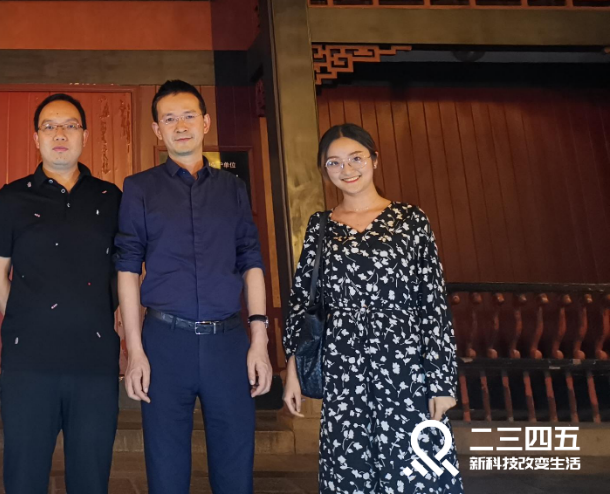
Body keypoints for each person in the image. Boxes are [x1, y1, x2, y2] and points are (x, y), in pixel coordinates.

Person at [282, 123, 463, 493]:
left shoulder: (410, 220)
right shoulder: (321, 226)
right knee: (349, 465)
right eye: (334, 162)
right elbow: (303, 302)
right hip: (343, 362)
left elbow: (432, 303)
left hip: (404, 362)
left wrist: (442, 381)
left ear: (374, 160)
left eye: (356, 158)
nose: (346, 169)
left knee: (415, 465)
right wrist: (293, 370)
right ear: (324, 169)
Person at [115, 79, 272, 494]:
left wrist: (259, 340)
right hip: (165, 342)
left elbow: (251, 261)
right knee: (166, 471)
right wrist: (135, 350)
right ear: (157, 130)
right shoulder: (140, 188)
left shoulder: (232, 188)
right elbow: (127, 267)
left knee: (235, 470)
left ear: (205, 122)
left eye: (188, 116)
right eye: (169, 119)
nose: (180, 126)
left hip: (228, 342)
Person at [0, 93, 122, 494]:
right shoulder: (11, 198)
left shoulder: (111, 197)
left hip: (95, 362)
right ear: (36, 138)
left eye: (70, 126)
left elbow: (125, 273)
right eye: (49, 126)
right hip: (29, 363)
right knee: (25, 477)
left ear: (84, 135)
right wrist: (29, 320)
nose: (60, 134)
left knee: (91, 478)